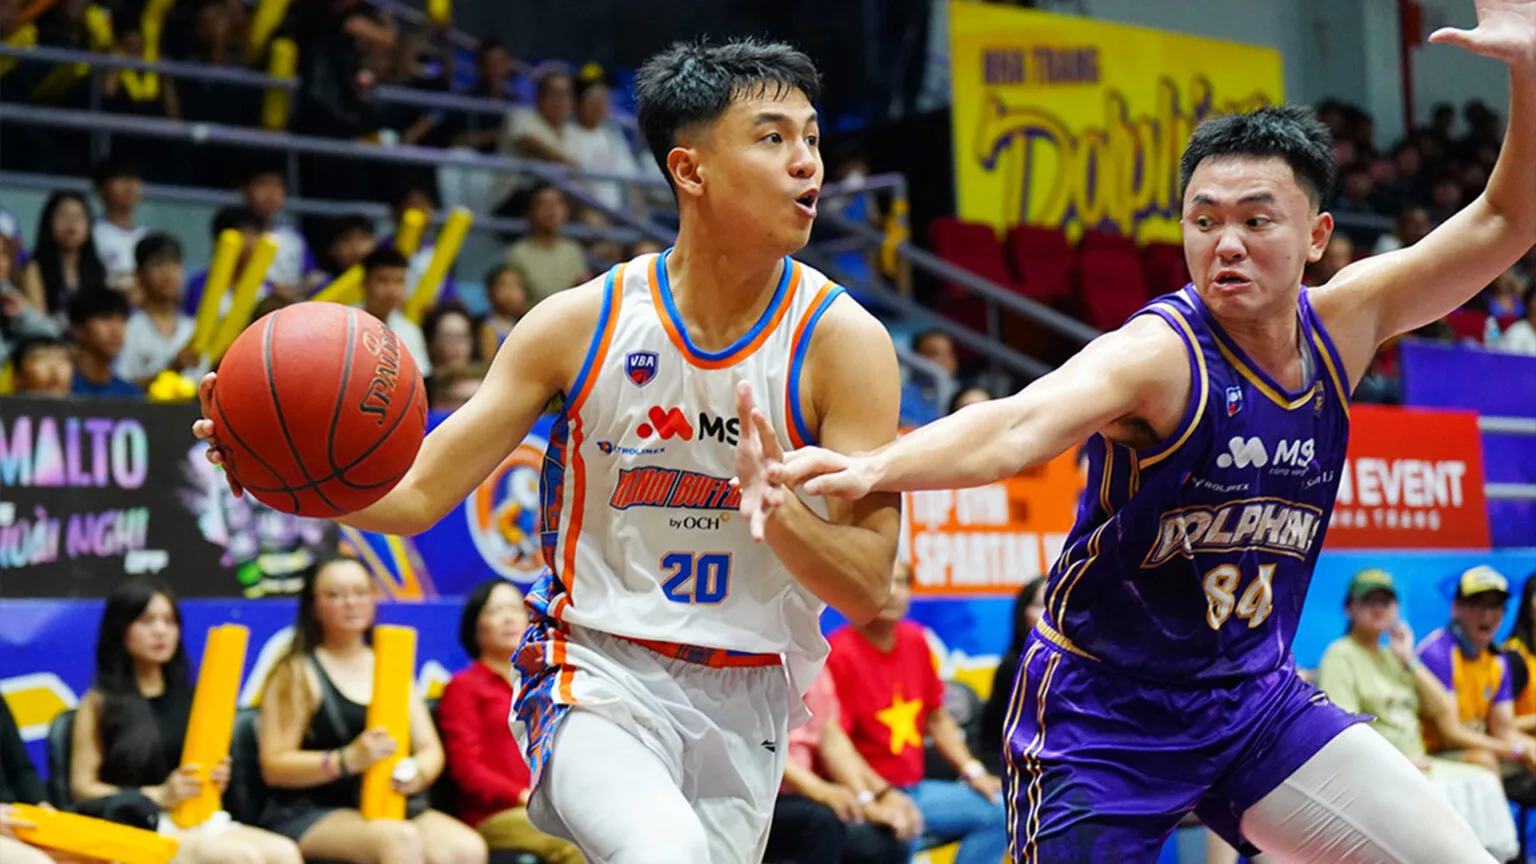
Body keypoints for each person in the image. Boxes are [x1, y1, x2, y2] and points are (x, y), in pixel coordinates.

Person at [768, 4, 1533, 859]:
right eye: (1204, 221)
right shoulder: (1159, 356)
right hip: (1103, 717)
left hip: (1254, 705)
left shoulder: (1349, 322)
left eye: (1256, 220)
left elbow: (1504, 221)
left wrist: (1530, 70)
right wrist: (875, 466)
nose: (1226, 244)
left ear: (1318, 236)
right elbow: (1017, 425)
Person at [195, 37, 901, 864]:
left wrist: (777, 515)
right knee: (664, 853)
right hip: (595, 669)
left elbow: (865, 586)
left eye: (811, 137)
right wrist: (279, 476)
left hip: (747, 688)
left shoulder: (847, 343)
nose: (807, 162)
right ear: (691, 170)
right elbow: (418, 493)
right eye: (773, 137)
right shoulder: (580, 324)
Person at [254, 556, 488, 864]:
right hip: (313, 808)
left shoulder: (390, 663)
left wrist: (416, 773)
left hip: (389, 801)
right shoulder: (296, 672)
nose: (351, 602)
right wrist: (346, 759)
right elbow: (274, 766)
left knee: (466, 848)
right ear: (313, 606)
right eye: (335, 595)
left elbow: (430, 749)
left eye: (361, 592)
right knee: (398, 839)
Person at [69, 576, 303, 864]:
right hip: (138, 823)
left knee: (285, 852)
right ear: (120, 629)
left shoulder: (195, 696)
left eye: (169, 621)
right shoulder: (98, 702)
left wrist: (216, 776)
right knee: (240, 857)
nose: (160, 631)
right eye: (147, 621)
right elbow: (82, 789)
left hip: (196, 817)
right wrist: (156, 795)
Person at [1316, 569, 1519, 860]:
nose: (1378, 608)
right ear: (1350, 607)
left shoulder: (1394, 657)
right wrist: (1397, 760)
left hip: (1420, 764)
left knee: (1483, 781)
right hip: (1382, 771)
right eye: (1368, 600)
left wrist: (1408, 658)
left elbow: (1442, 708)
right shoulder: (1340, 655)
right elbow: (1343, 730)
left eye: (1385, 601)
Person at [826, 563, 1007, 864]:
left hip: (918, 790)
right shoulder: (836, 652)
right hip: (867, 793)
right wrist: (879, 796)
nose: (893, 592)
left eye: (901, 583)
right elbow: (834, 743)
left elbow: (937, 717)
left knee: (999, 810)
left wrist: (972, 771)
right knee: (899, 833)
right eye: (884, 582)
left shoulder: (916, 640)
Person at [437, 579, 585, 864]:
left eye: (515, 609)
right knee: (577, 844)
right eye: (495, 611)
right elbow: (468, 770)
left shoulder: (547, 683)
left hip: (554, 807)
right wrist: (521, 795)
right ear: (474, 625)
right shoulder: (464, 688)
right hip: (498, 815)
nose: (508, 618)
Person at [115, 234, 198, 388]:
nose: (167, 272)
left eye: (173, 263)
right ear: (138, 275)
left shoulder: (193, 328)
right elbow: (120, 386)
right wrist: (171, 370)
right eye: (157, 264)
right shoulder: (128, 328)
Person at [358, 247, 432, 377]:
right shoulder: (347, 325)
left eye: (399, 281)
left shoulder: (410, 331)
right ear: (365, 283)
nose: (392, 290)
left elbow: (420, 377)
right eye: (383, 280)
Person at [67, 289, 141, 398]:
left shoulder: (131, 395)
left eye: (122, 321)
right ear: (78, 329)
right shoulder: (62, 389)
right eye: (105, 319)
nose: (116, 331)